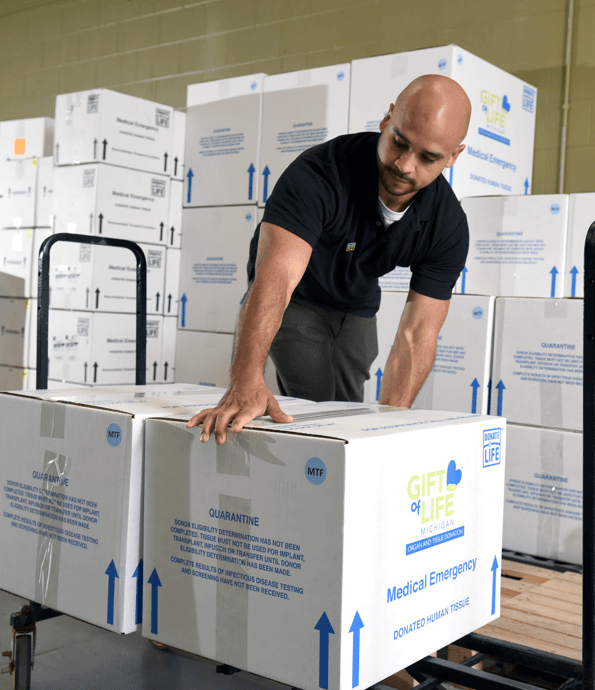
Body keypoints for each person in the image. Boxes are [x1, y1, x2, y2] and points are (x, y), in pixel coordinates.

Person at [187, 74, 473, 444]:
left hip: (356, 297)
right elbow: (276, 279)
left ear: (453, 156)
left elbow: (417, 335)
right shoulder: (318, 175)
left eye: (428, 157)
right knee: (316, 398)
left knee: (350, 411)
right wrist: (244, 383)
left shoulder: (447, 224)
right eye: (399, 143)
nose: (404, 165)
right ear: (386, 121)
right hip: (297, 294)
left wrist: (390, 431)